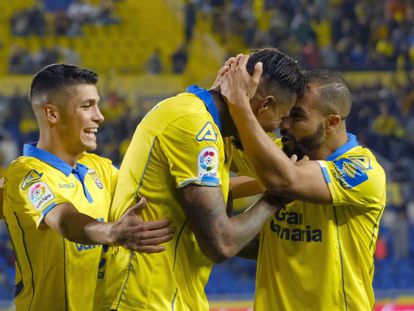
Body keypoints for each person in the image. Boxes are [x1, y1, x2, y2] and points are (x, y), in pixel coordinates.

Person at [93, 47, 305, 311]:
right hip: (144, 300)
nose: (278, 128)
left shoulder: (219, 132)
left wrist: (301, 244)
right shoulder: (192, 124)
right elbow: (221, 243)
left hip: (176, 297)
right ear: (264, 105)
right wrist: (273, 201)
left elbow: (280, 175)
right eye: (281, 117)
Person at [2, 64, 174, 311]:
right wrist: (112, 232)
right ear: (52, 114)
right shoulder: (25, 173)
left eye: (98, 105)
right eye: (87, 106)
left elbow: (166, 190)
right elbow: (64, 220)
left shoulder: (101, 169)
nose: (100, 116)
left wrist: (248, 181)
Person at [220, 64, 386, 310]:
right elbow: (212, 141)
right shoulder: (279, 156)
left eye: (297, 116)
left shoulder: (362, 171)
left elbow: (285, 180)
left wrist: (241, 107)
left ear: (331, 122)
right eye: (285, 113)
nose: (283, 124)